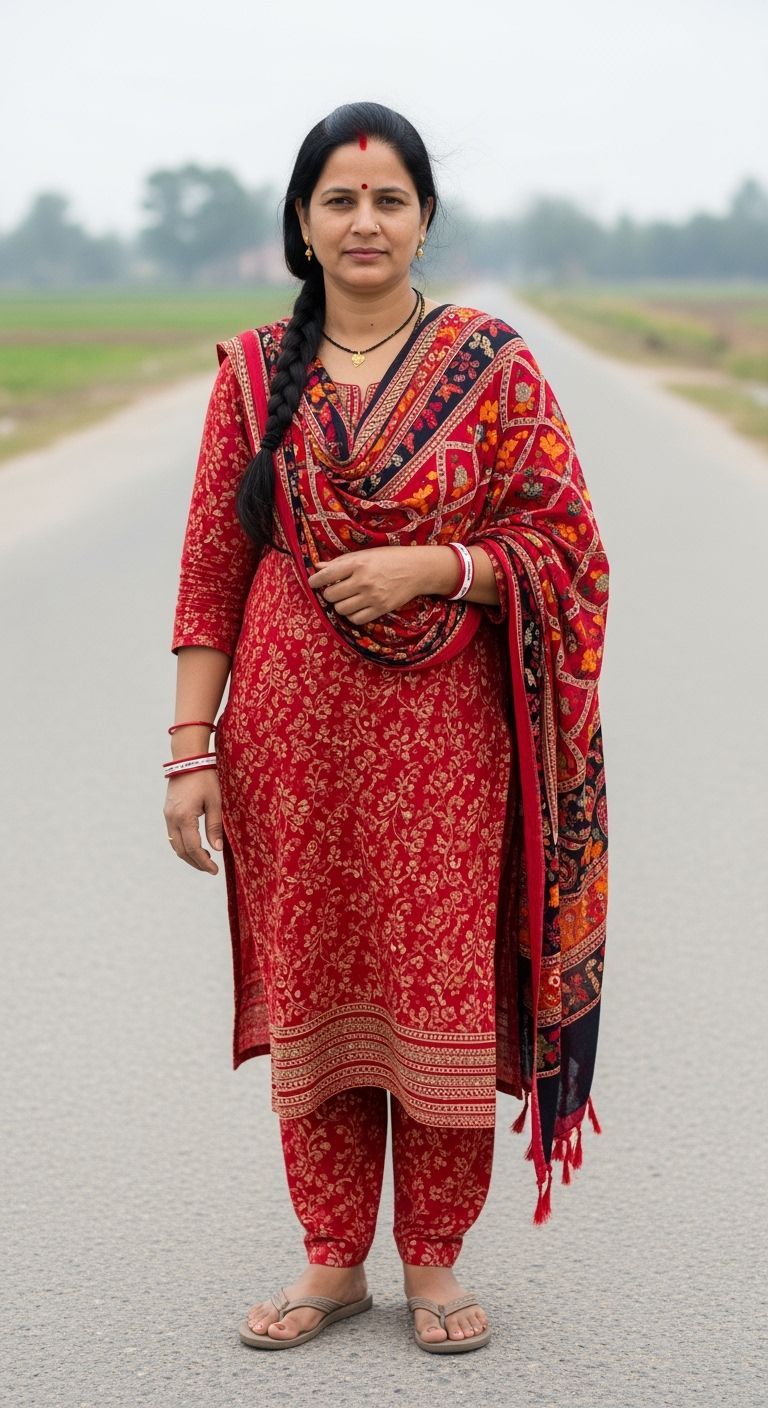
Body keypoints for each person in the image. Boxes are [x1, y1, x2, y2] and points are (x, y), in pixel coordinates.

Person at [164, 101, 609, 1355]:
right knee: (317, 978)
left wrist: (441, 568)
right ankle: (329, 1261)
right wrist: (191, 748)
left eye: (390, 200)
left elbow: (568, 544)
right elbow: (210, 568)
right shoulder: (254, 375)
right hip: (289, 747)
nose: (366, 222)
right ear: (303, 226)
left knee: (439, 983)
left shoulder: (493, 365)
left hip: (446, 740)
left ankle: (433, 1262)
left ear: (424, 220)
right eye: (340, 201)